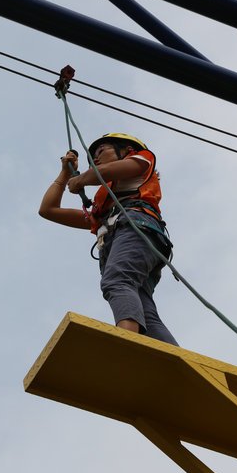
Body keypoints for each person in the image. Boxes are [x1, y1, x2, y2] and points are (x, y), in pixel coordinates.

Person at [38, 133, 178, 345]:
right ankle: (172, 361)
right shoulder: (104, 211)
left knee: (117, 280)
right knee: (144, 308)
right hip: (130, 237)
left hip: (135, 228)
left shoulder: (142, 159)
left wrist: (81, 178)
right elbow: (48, 210)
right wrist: (65, 174)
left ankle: (125, 344)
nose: (95, 159)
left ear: (126, 150)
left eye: (101, 151)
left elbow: (103, 172)